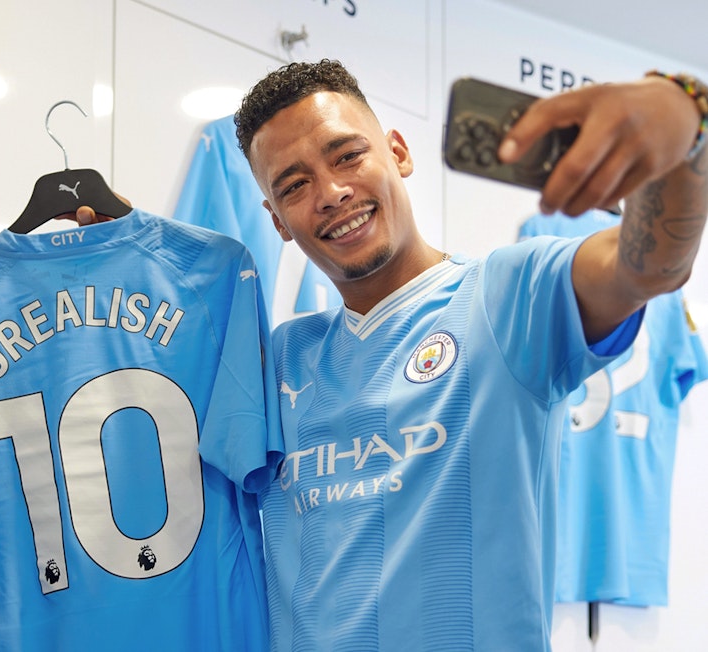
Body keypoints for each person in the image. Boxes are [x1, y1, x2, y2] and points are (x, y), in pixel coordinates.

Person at [230, 59, 707, 651]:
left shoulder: (513, 295)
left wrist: (688, 123)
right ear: (276, 221)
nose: (331, 193)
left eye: (348, 155)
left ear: (398, 153)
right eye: (294, 185)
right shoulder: (275, 360)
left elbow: (651, 264)